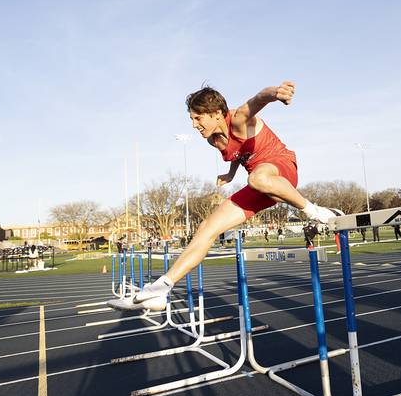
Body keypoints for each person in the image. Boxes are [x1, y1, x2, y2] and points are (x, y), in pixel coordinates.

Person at [110, 82, 340, 311]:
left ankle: (317, 212)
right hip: (261, 185)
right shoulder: (214, 140)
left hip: (281, 170)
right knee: (207, 228)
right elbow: (239, 155)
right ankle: (160, 289)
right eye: (192, 119)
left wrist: (275, 93)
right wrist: (230, 174)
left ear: (217, 113)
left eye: (198, 118)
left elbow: (258, 99)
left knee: (257, 178)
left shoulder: (239, 119)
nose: (194, 125)